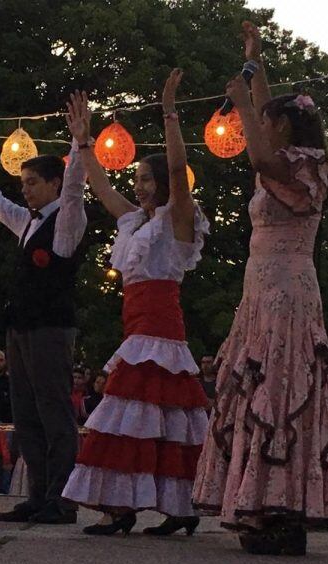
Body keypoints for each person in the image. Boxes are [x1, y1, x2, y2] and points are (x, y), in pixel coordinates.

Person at [193, 22, 328, 556]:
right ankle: (257, 507)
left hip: (288, 289)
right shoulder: (286, 158)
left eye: (272, 121)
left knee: (280, 386)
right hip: (260, 288)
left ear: (287, 128)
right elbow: (265, 133)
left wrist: (244, 103)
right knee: (254, 385)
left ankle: (283, 509)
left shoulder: (310, 166)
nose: (265, 126)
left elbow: (259, 156)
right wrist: (255, 61)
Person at [61, 77, 209, 536]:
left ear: (164, 182)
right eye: (138, 179)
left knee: (130, 419)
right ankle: (173, 509)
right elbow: (102, 188)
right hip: (137, 331)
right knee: (152, 424)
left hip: (159, 335)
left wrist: (169, 112)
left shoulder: (178, 219)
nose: (140, 186)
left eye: (147, 179)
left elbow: (179, 165)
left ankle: (126, 509)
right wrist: (83, 141)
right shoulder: (135, 222)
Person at [0, 109, 87, 525]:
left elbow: (73, 191)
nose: (26, 190)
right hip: (21, 327)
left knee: (55, 412)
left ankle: (62, 498)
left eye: (33, 183)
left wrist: (78, 142)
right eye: (24, 183)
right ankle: (37, 494)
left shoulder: (68, 221)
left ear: (54, 182)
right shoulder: (26, 222)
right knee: (27, 413)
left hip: (51, 327)